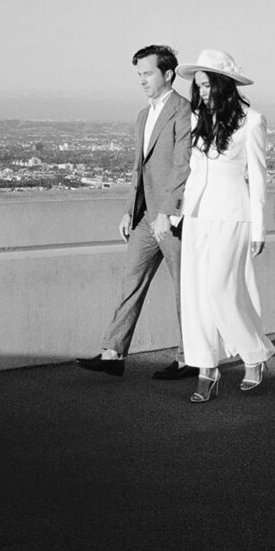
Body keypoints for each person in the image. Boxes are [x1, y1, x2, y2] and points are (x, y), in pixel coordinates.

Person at [77, 45, 198, 380]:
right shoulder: (143, 115)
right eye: (139, 75)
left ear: (168, 74)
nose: (142, 81)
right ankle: (113, 354)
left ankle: (191, 357)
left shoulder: (184, 111)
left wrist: (168, 212)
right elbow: (138, 169)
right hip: (146, 216)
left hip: (173, 219)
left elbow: (182, 167)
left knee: (183, 290)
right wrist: (129, 211)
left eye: (148, 73)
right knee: (131, 281)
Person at [174, 49, 275, 402]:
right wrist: (178, 213)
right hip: (197, 216)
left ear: (223, 84)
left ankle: (255, 355)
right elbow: (192, 172)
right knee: (197, 294)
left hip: (234, 215)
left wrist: (260, 229)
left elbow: (259, 180)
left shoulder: (252, 121)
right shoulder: (196, 118)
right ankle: (206, 367)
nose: (201, 92)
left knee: (220, 289)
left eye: (206, 85)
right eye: (197, 87)